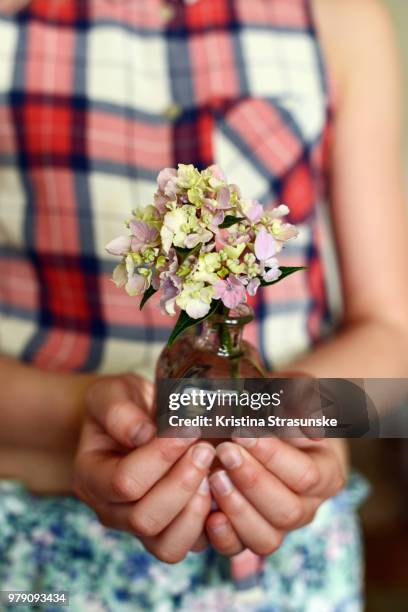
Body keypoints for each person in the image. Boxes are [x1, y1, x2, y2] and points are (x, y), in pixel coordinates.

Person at [0, 0, 407, 610]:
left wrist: (299, 416)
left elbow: (395, 341)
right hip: (39, 554)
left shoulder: (340, 16)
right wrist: (92, 417)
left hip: (291, 563)